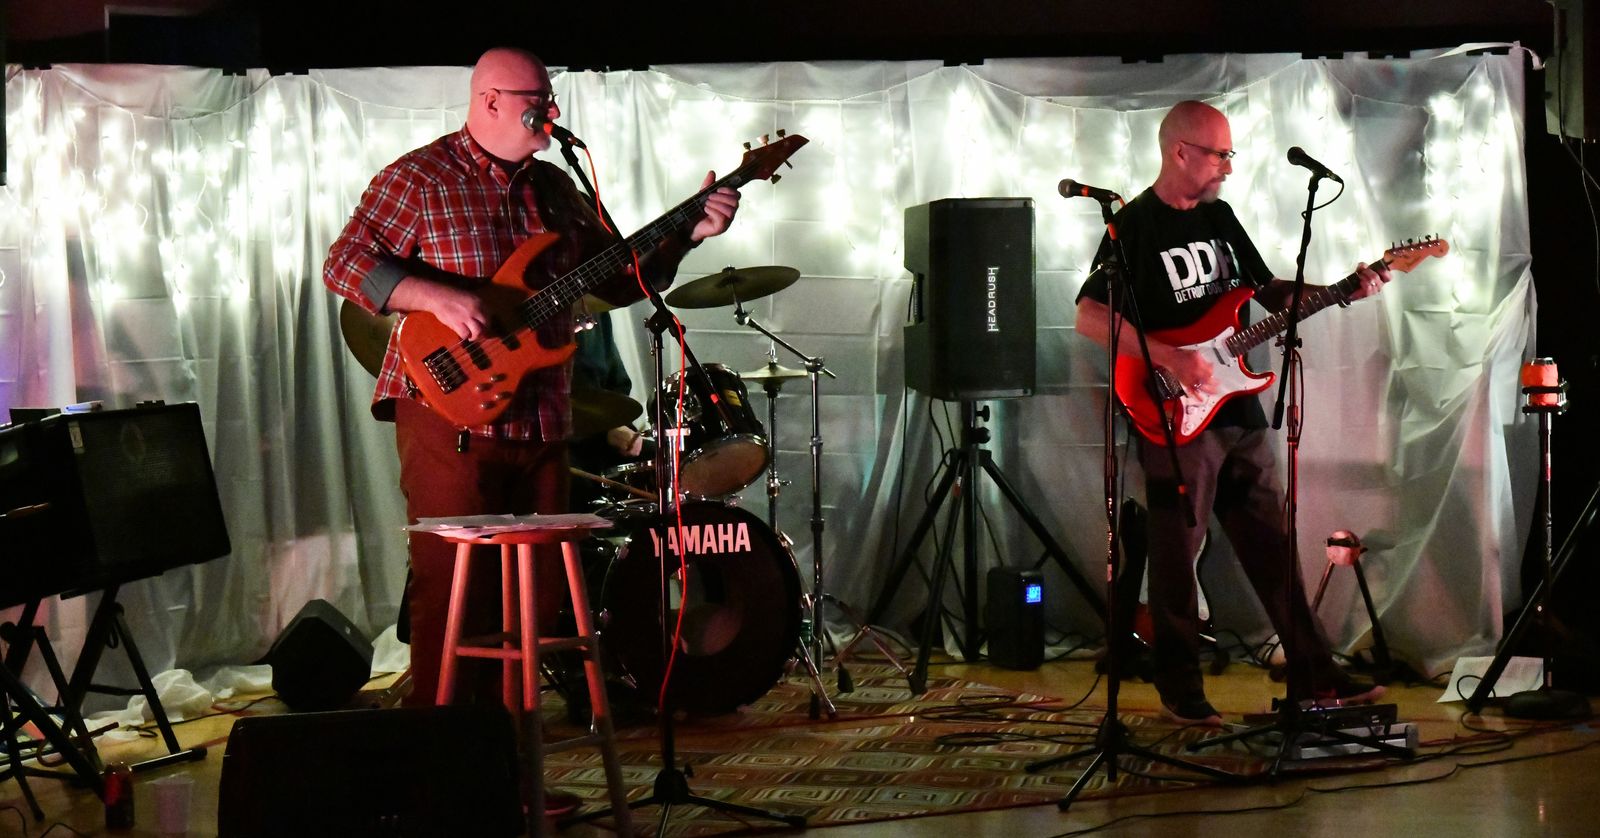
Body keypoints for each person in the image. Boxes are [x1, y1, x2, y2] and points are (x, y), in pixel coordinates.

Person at [322, 46, 739, 714]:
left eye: (550, 98)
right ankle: (442, 753)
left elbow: (618, 280)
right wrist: (436, 297)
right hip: (448, 416)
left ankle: (511, 753)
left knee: (539, 603)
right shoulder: (420, 178)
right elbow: (344, 263)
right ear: (489, 101)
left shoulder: (556, 189)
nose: (551, 110)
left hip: (543, 420)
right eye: (536, 100)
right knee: (454, 593)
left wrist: (688, 235)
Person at [1074, 100, 1389, 726]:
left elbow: (1265, 291)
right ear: (1179, 152)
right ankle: (1181, 690)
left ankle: (1315, 675)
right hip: (1172, 412)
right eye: (1219, 154)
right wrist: (1171, 355)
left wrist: (1339, 291)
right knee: (1176, 556)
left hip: (1237, 409)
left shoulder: (1220, 217)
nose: (1227, 167)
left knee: (1274, 547)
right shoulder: (1133, 225)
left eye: (1230, 154)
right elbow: (1089, 315)